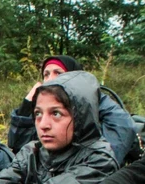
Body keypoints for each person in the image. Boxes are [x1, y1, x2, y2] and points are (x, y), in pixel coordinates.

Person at [8, 55, 136, 165]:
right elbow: (19, 148)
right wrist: (26, 105)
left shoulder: (93, 100)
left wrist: (92, 165)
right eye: (46, 74)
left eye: (58, 73)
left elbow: (121, 131)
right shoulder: (44, 108)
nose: (50, 79)